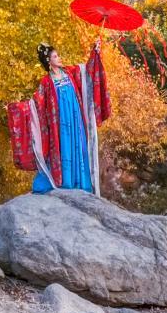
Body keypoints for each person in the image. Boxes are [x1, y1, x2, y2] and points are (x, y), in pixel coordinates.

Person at [15, 40, 111, 196]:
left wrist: (95, 51)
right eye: (55, 56)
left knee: (78, 144)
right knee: (64, 146)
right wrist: (19, 108)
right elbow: (36, 104)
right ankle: (66, 181)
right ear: (49, 61)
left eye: (58, 55)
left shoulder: (69, 72)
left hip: (76, 118)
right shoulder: (46, 82)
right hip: (59, 123)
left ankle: (81, 182)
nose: (59, 58)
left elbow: (87, 72)